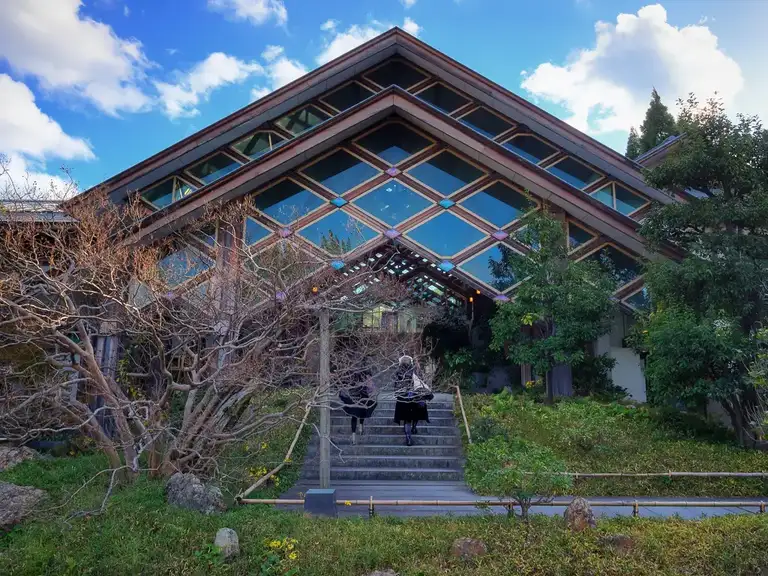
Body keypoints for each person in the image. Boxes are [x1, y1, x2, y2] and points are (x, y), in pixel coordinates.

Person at [393, 355, 432, 446]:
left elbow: (395, 385)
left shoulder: (398, 372)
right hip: (415, 395)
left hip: (403, 397)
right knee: (416, 413)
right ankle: (414, 427)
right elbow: (422, 381)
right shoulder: (415, 371)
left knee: (407, 419)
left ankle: (408, 438)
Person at [339, 367, 377, 445]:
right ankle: (359, 429)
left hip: (356, 400)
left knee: (355, 416)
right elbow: (372, 390)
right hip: (360, 400)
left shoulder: (353, 379)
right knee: (360, 414)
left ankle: (355, 435)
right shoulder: (364, 379)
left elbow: (343, 391)